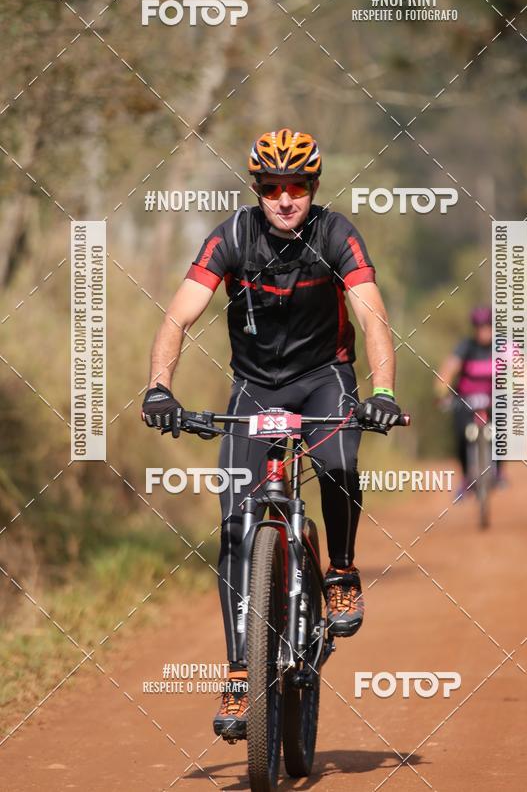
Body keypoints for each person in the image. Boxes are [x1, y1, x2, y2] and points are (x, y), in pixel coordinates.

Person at [141, 127, 403, 739]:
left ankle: (339, 571)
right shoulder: (232, 235)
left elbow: (373, 320)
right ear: (257, 190)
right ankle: (239, 673)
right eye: (272, 188)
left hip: (323, 379)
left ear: (314, 188)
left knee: (337, 461)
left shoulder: (337, 234)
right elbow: (177, 316)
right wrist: (158, 387)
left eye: (297, 187)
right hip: (255, 387)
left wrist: (384, 392)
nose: (285, 199)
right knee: (235, 519)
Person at [435, 306, 501, 496]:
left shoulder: (501, 347)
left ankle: (499, 472)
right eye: (479, 327)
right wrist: (441, 392)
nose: (483, 331)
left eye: (487, 326)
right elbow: (447, 370)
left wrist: (520, 389)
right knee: (460, 434)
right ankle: (465, 478)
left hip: (493, 400)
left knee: (502, 429)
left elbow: (519, 368)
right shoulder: (465, 347)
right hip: (466, 400)